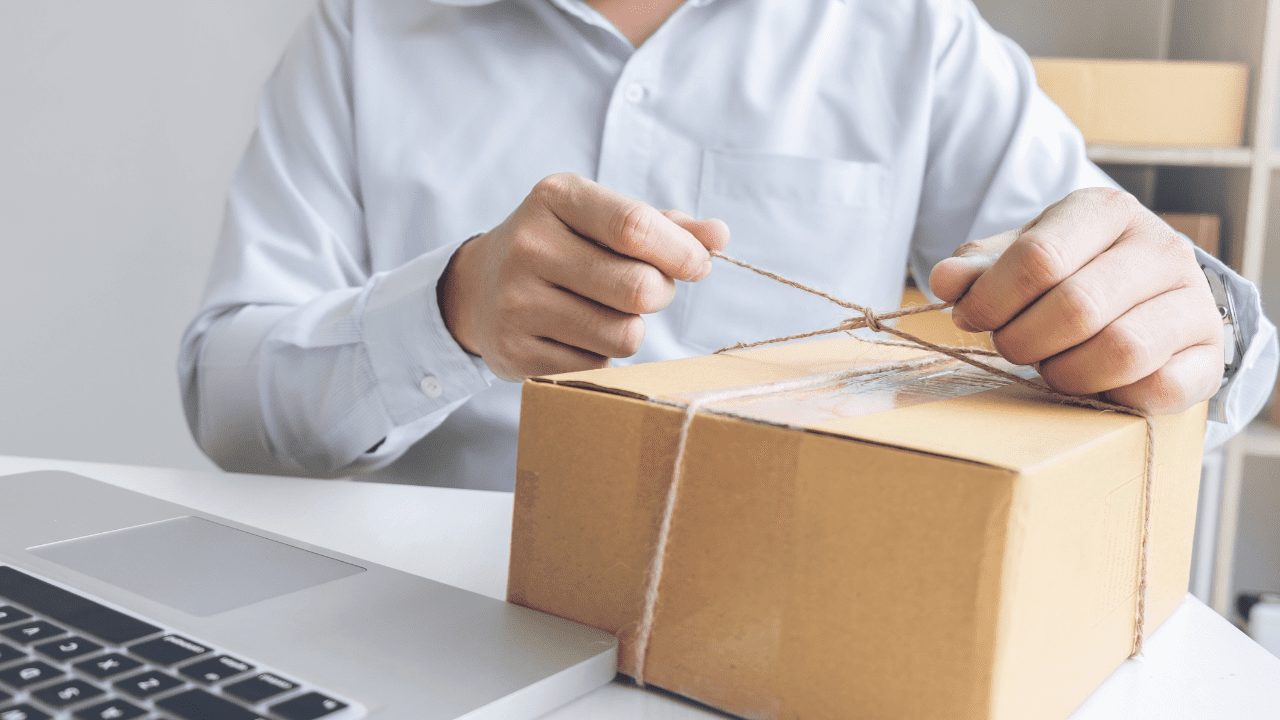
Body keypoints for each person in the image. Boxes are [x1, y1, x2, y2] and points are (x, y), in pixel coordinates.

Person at [179, 0, 1277, 489]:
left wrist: (1186, 328)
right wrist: (453, 311)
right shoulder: (366, 30)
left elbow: (1205, 346)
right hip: (421, 632)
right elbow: (227, 400)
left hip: (796, 623)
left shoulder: (909, 32)